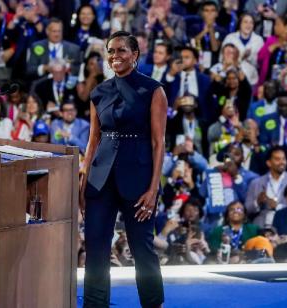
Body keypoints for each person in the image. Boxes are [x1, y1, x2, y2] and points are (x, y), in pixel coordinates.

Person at [79, 31, 166, 308]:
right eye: (111, 51)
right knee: (95, 248)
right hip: (100, 179)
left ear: (135, 55)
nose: (115, 56)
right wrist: (83, 184)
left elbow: (158, 142)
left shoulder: (153, 90)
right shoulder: (99, 92)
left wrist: (153, 188)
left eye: (121, 51)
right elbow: (93, 140)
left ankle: (153, 304)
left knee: (142, 248)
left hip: (139, 179)